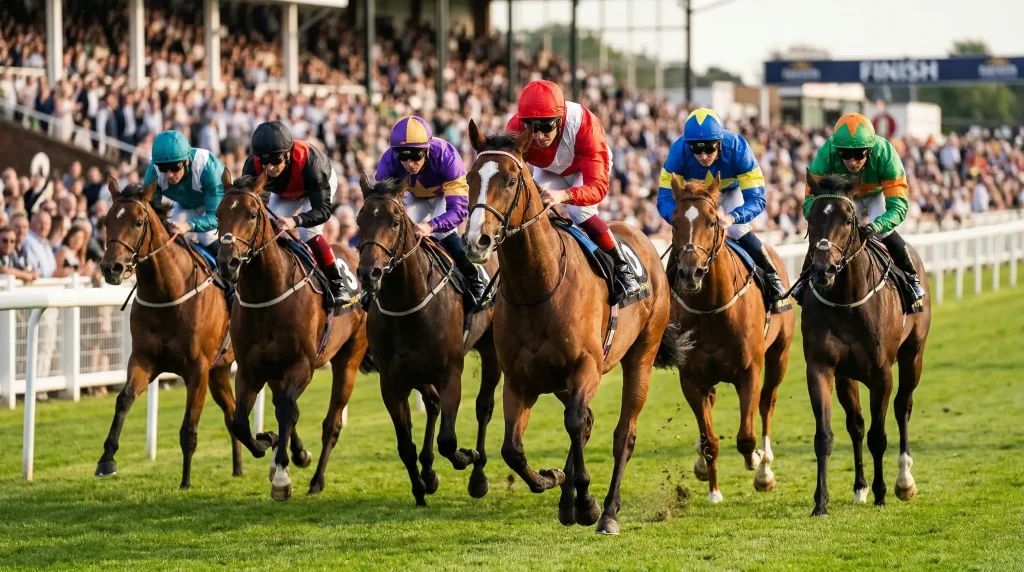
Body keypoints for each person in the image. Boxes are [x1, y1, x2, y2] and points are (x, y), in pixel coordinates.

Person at [506, 80, 642, 301]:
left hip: (583, 168)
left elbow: (597, 188)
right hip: (550, 169)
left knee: (580, 213)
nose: (539, 135)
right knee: (532, 208)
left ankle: (622, 268)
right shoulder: (515, 127)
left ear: (560, 120)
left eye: (546, 126)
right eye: (532, 126)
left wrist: (564, 195)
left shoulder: (585, 125)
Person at [793, 113, 925, 306]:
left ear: (870, 151)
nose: (851, 161)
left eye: (858, 155)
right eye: (844, 154)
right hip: (844, 196)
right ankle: (804, 279)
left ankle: (911, 278)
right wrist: (815, 216)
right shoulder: (826, 152)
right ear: (836, 150)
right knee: (827, 231)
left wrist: (876, 226)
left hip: (875, 194)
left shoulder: (886, 153)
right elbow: (810, 197)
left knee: (884, 232)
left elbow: (898, 207)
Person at [656, 107, 787, 303]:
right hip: (698, 197)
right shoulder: (678, 151)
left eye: (709, 148)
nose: (703, 155)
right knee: (687, 234)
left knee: (737, 230)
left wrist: (732, 217)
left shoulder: (738, 148)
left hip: (730, 192)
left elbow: (757, 199)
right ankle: (666, 294)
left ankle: (772, 277)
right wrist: (678, 220)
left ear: (720, 142)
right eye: (696, 149)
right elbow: (664, 199)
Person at [375, 116, 486, 307]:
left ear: (427, 149)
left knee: (443, 232)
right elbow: (382, 205)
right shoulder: (388, 161)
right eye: (404, 156)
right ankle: (378, 284)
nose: (410, 163)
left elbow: (458, 210)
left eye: (416, 155)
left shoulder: (447, 156)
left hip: (444, 195)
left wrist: (430, 226)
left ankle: (476, 281)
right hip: (412, 196)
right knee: (393, 230)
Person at [242, 120, 353, 307]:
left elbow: (323, 211)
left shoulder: (311, 162)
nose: (269, 168)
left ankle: (337, 284)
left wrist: (295, 220)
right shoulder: (252, 166)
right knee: (266, 230)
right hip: (285, 192)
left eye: (276, 160)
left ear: (287, 154)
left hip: (313, 190)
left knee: (308, 232)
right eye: (264, 161)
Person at [142, 130, 225, 262]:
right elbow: (151, 214)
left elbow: (216, 217)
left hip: (218, 208)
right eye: (163, 168)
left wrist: (189, 225)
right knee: (171, 235)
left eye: (174, 167)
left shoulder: (208, 167)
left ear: (186, 161)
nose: (169, 175)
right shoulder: (153, 174)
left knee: (207, 236)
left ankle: (232, 276)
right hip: (186, 205)